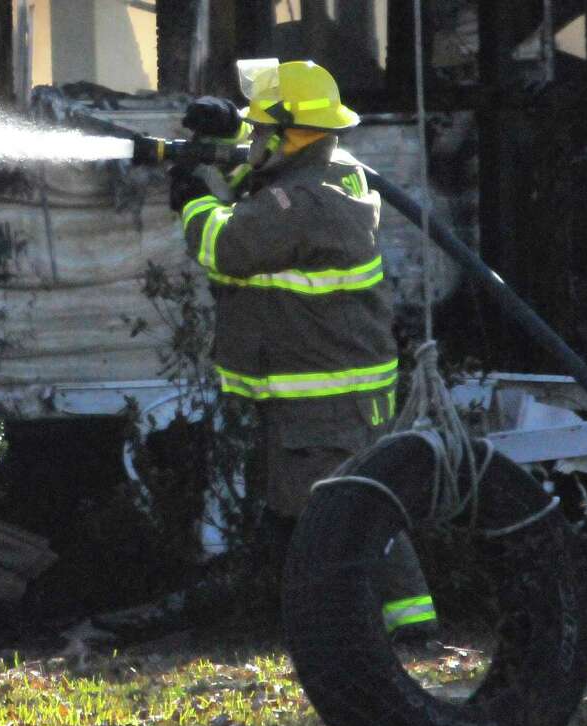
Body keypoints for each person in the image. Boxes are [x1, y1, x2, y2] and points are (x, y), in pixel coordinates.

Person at [170, 60, 437, 639]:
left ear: (295, 134)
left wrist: (190, 196)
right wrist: (225, 133)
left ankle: (407, 628)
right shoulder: (322, 171)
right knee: (314, 510)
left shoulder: (308, 201)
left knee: (351, 511)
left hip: (330, 393)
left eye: (264, 127)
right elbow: (264, 177)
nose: (255, 137)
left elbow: (229, 244)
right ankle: (332, 625)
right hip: (317, 387)